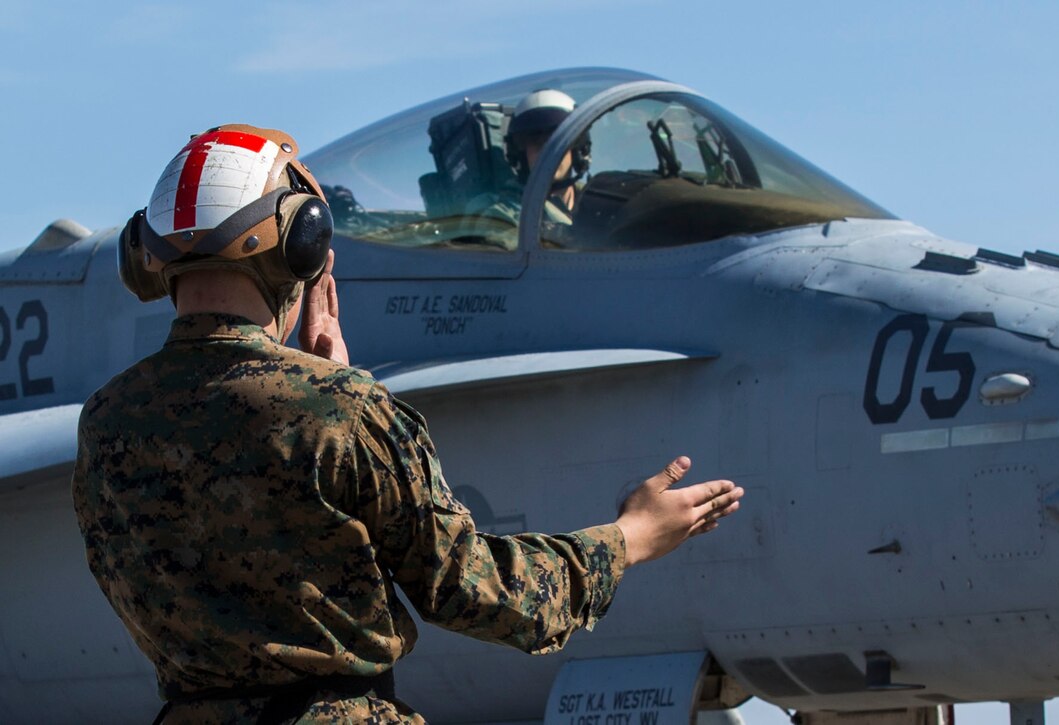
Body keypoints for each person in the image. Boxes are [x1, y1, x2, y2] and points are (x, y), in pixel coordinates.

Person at [72, 124, 744, 723]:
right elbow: (474, 591)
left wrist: (326, 387)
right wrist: (629, 537)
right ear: (300, 246)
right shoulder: (343, 409)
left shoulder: (105, 424)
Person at [465, 89, 590, 245]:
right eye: (536, 142)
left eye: (557, 140)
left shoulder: (598, 202)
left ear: (578, 148)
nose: (547, 150)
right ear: (520, 154)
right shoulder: (504, 215)